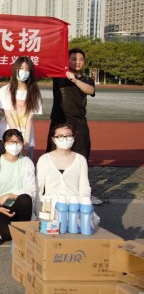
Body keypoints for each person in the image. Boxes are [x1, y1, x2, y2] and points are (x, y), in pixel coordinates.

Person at [47, 48, 99, 204]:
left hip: (79, 124)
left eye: (81, 59)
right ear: (67, 60)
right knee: (53, 157)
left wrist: (75, 80)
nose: (77, 62)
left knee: (80, 158)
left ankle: (83, 193)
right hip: (59, 123)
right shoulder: (59, 76)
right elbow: (47, 62)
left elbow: (90, 90)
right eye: (74, 59)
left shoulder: (86, 79)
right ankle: (51, 191)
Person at [0, 129, 36, 242]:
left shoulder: (27, 162)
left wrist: (11, 195)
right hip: (1, 207)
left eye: (18, 141)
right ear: (4, 144)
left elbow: (30, 190)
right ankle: (5, 225)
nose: (15, 145)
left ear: (22, 144)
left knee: (25, 198)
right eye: (11, 141)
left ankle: (23, 228)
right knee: (6, 236)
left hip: (20, 205)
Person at [37, 123, 91, 214]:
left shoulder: (80, 159)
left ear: (73, 137)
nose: (65, 139)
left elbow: (84, 187)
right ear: (54, 139)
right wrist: (37, 210)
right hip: (50, 206)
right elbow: (39, 188)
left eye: (68, 135)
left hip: (74, 205)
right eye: (60, 136)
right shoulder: (44, 159)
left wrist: (84, 206)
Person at [0, 57, 42, 161]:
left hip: (27, 140)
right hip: (6, 137)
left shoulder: (34, 92)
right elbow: (8, 116)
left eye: (27, 69)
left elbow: (30, 119)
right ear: (15, 69)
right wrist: (18, 139)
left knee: (26, 168)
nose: (24, 72)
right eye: (21, 68)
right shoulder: (5, 90)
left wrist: (25, 142)